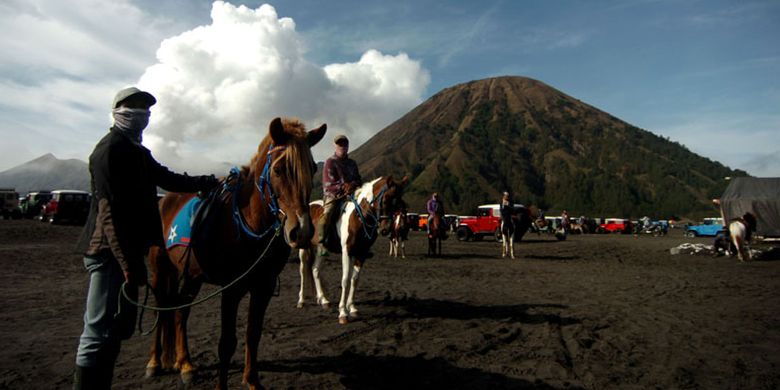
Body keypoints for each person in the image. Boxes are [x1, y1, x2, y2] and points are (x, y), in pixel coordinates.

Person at [73, 87, 219, 389]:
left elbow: (169, 179)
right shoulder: (108, 151)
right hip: (108, 253)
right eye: (133, 107)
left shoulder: (137, 152)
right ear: (116, 111)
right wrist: (128, 264)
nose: (140, 113)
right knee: (97, 331)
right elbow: (108, 214)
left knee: (117, 329)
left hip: (126, 252)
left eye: (144, 108)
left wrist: (208, 182)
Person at [319, 134, 362, 247]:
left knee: (365, 209)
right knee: (327, 214)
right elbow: (328, 183)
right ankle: (322, 241)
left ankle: (364, 242)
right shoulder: (330, 162)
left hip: (351, 194)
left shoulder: (352, 163)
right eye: (340, 144)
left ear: (348, 146)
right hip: (334, 196)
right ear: (335, 146)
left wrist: (352, 185)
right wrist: (344, 187)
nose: (342, 146)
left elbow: (358, 179)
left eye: (344, 144)